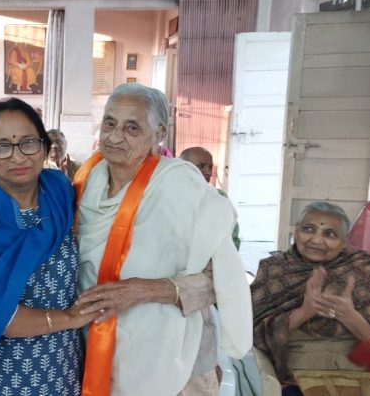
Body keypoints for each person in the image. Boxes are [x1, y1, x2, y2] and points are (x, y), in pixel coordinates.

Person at [74, 84, 252, 395]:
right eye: (110, 123)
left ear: (159, 133)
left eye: (132, 127)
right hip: (98, 348)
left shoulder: (180, 185)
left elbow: (220, 277)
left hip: (177, 358)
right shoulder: (85, 182)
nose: (115, 137)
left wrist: (141, 290)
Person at [0, 98, 98, 394]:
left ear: (45, 147)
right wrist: (69, 318)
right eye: (3, 146)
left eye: (28, 142)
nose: (18, 156)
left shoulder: (59, 191)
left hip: (58, 365)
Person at [252, 201, 370, 394]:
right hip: (301, 375)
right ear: (296, 231)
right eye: (308, 229)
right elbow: (252, 336)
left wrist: (350, 316)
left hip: (367, 377)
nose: (317, 239)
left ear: (344, 241)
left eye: (330, 234)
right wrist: (304, 312)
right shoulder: (274, 269)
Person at [180, 146, 241, 250]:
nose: (208, 172)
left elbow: (233, 237)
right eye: (201, 166)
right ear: (183, 168)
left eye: (210, 167)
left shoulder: (219, 197)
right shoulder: (170, 195)